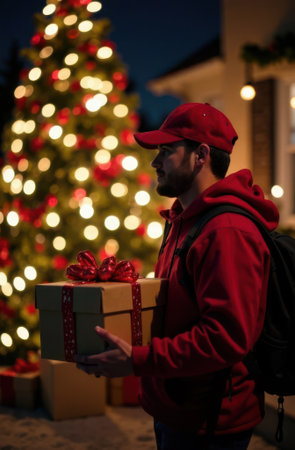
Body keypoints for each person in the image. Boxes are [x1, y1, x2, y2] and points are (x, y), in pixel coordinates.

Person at [75, 103, 279, 450]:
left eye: (167, 151)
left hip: (209, 420)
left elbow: (226, 337)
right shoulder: (184, 219)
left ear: (200, 155)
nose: (155, 162)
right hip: (175, 405)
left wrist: (137, 360)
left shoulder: (226, 231)